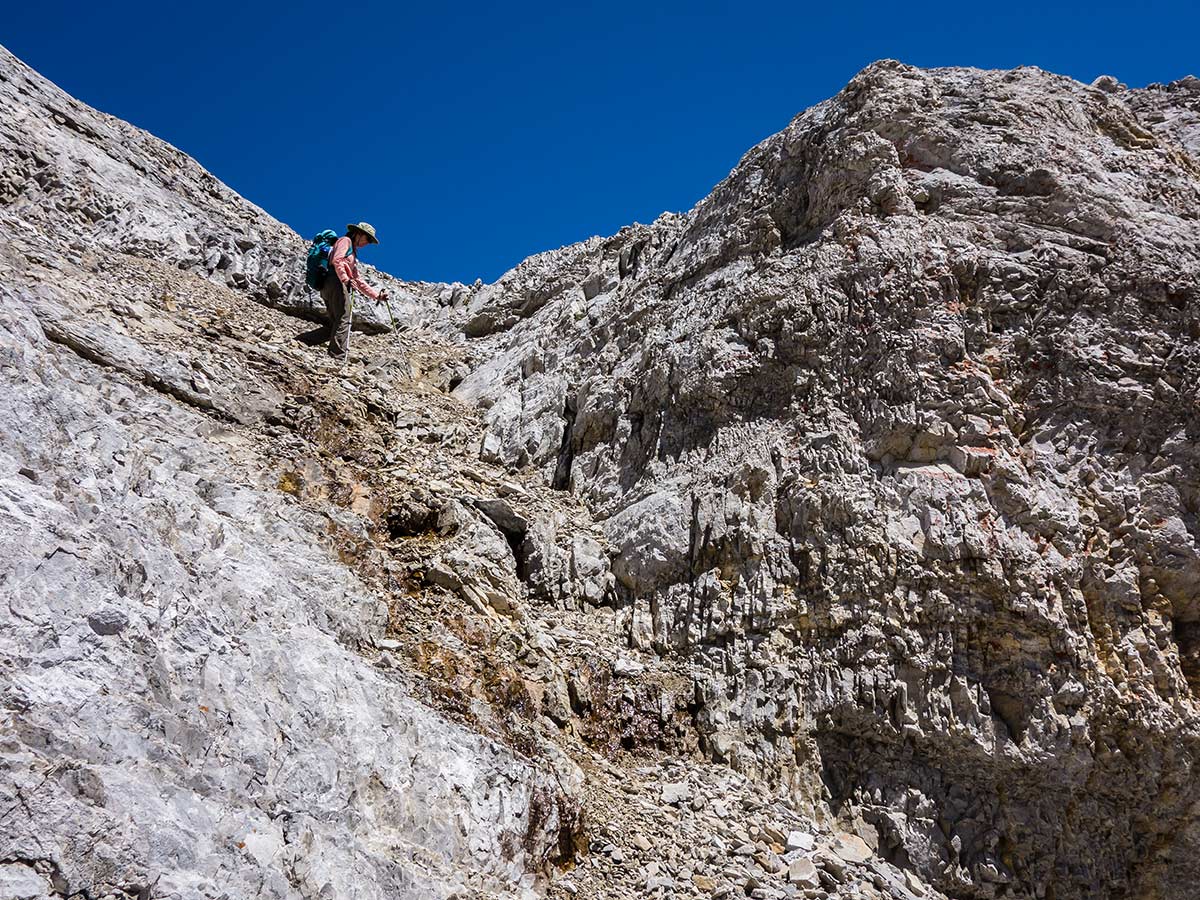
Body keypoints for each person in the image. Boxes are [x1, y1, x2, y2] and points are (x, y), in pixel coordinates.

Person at [319, 222, 389, 362]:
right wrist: (346, 279)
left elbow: (358, 280)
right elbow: (337, 260)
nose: (367, 243)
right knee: (344, 318)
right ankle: (337, 357)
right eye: (367, 239)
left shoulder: (352, 252)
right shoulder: (345, 241)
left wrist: (377, 296)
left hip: (332, 283)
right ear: (358, 234)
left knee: (335, 323)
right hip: (335, 281)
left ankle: (302, 341)